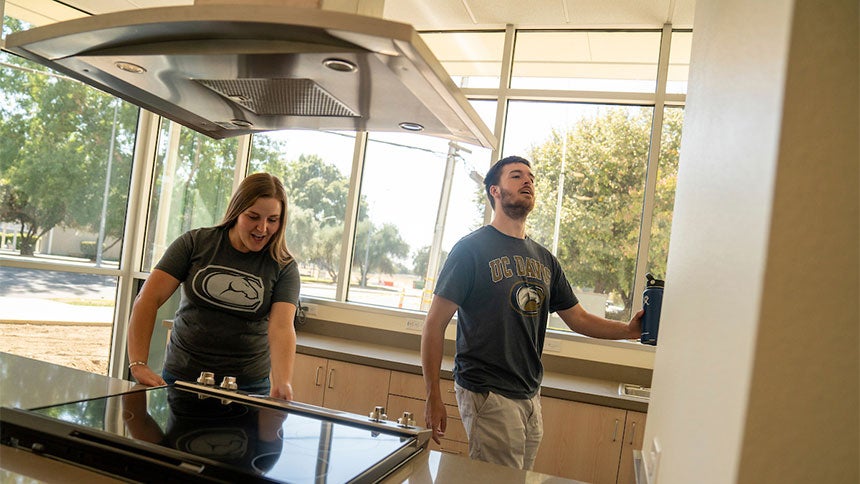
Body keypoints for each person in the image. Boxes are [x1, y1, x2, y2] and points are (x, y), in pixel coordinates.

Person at [421, 155, 643, 470]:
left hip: (528, 393)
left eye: (531, 177)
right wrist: (432, 395)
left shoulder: (545, 259)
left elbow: (577, 318)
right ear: (495, 191)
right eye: (516, 176)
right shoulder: (471, 250)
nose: (527, 181)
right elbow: (434, 325)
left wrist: (629, 331)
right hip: (488, 391)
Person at [127, 172, 301, 400]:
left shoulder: (283, 266)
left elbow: (281, 327)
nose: (262, 228)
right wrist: (138, 363)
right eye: (253, 217)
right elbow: (148, 300)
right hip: (182, 378)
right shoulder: (195, 243)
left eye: (272, 220)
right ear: (237, 211)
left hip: (248, 386)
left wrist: (282, 382)